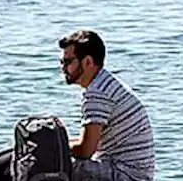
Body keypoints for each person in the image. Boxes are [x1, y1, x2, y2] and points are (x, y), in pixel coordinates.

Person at [59, 29, 156, 181]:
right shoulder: (106, 83)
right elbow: (92, 144)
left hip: (126, 175)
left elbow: (86, 150)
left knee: (56, 165)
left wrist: (53, 149)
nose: (63, 68)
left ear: (88, 62)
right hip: (136, 173)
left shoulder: (96, 93)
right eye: (62, 62)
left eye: (68, 62)